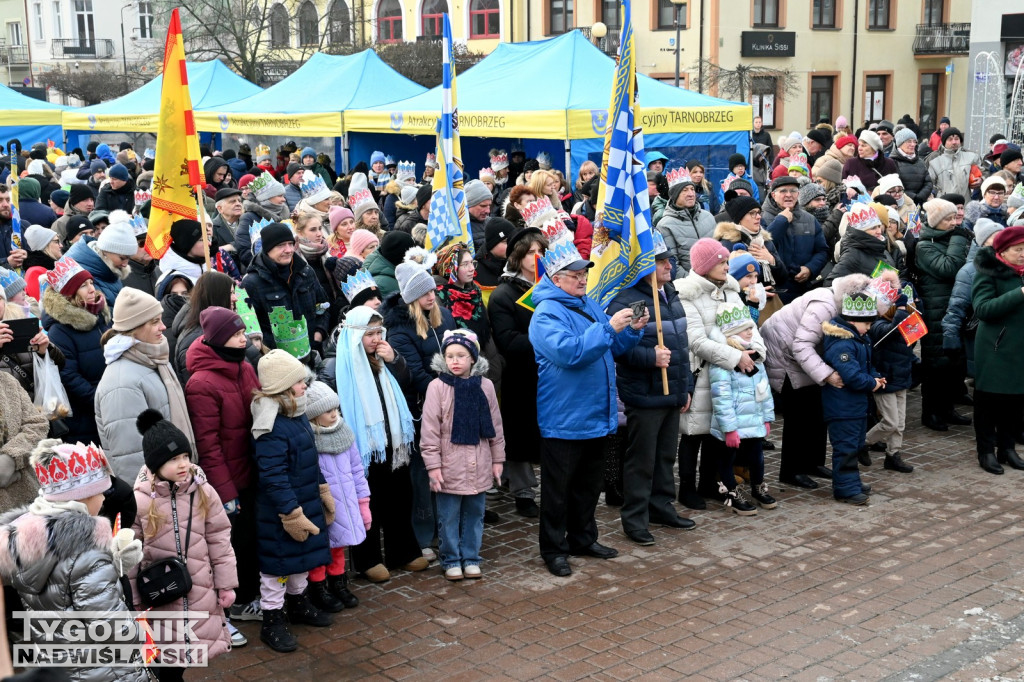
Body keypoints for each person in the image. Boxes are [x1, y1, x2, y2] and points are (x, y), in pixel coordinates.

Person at [529, 239, 646, 577]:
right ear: (555, 278)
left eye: (583, 273)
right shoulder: (546, 314)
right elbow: (571, 353)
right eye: (575, 274)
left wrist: (631, 331)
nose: (582, 279)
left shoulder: (589, 304)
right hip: (565, 417)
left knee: (587, 485)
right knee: (558, 491)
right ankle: (553, 548)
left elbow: (611, 346)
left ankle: (583, 538)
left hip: (596, 413)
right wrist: (609, 327)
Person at [0, 439, 148, 682]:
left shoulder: (23, 541)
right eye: (100, 491)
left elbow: (64, 591)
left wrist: (113, 564)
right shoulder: (88, 553)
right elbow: (112, 627)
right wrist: (139, 635)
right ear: (83, 497)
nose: (104, 498)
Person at [131, 410, 238, 675]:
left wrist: (226, 584)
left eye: (185, 457)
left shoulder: (203, 491)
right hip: (160, 597)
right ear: (155, 465)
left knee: (187, 656)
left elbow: (219, 538)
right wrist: (134, 599)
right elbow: (130, 555)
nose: (183, 464)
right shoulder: (141, 500)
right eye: (173, 459)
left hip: (200, 589)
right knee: (165, 663)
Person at [606, 231, 695, 545]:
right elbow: (617, 347)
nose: (669, 265)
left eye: (668, 259)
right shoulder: (631, 300)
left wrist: (686, 388)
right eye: (660, 261)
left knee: (664, 456)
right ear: (644, 265)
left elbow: (681, 347)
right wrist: (649, 357)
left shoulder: (670, 293)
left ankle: (661, 506)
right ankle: (635, 518)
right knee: (641, 460)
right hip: (645, 393)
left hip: (671, 392)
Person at [249, 350, 332, 652]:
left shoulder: (295, 413)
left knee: (301, 558)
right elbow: (272, 475)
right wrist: (291, 512)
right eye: (299, 381)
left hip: (304, 497)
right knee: (277, 566)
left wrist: (322, 489)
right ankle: (273, 618)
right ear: (283, 386)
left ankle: (298, 603)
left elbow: (309, 458)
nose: (305, 386)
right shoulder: (270, 424)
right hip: (282, 509)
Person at [675, 238, 767, 510]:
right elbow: (695, 340)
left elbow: (748, 326)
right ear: (706, 265)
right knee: (693, 434)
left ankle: (709, 483)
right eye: (722, 262)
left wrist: (755, 353)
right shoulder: (686, 293)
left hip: (731, 377)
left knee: (717, 433)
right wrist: (735, 357)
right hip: (701, 373)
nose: (728, 267)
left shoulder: (729, 291)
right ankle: (687, 488)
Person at [184, 306, 263, 624]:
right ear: (218, 340)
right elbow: (208, 444)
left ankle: (256, 593)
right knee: (236, 543)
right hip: (229, 478)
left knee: (253, 537)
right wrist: (226, 491)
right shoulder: (201, 383)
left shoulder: (243, 367)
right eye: (237, 335)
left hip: (252, 467)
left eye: (243, 333)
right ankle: (240, 603)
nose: (244, 339)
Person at [334, 306, 424, 582]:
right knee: (368, 501)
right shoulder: (340, 362)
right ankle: (367, 559)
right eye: (369, 333)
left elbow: (406, 382)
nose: (375, 339)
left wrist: (395, 359)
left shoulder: (384, 357)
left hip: (392, 441)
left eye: (378, 332)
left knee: (400, 494)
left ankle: (404, 552)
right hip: (364, 445)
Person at [383, 248, 457, 559]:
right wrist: (449, 391)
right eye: (424, 293)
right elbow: (414, 374)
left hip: (448, 401)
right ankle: (423, 534)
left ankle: (447, 528)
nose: (431, 296)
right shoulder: (399, 329)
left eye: (432, 290)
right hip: (421, 409)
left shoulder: (442, 315)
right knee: (421, 473)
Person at [421, 330, 505, 580]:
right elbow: (430, 431)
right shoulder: (437, 387)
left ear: (473, 358)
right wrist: (433, 466)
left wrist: (498, 459)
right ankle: (451, 559)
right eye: (449, 356)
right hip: (449, 466)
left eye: (461, 355)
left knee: (475, 515)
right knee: (448, 517)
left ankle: (471, 556)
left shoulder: (486, 386)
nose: (454, 361)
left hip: (479, 462)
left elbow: (496, 425)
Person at [95, 287, 197, 482]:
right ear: (135, 328)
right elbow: (130, 456)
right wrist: (149, 501)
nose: (163, 327)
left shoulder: (153, 359)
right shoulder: (121, 383)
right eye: (155, 322)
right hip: (156, 494)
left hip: (173, 482)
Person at [487, 228, 546, 517]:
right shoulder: (504, 294)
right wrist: (547, 338)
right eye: (533, 252)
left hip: (550, 374)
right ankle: (523, 491)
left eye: (542, 251)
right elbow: (507, 341)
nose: (539, 257)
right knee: (520, 433)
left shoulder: (551, 285)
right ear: (518, 256)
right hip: (521, 374)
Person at [304, 381, 367, 610]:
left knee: (339, 546)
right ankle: (318, 587)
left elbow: (357, 467)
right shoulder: (310, 439)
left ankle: (339, 582)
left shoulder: (344, 431)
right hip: (323, 503)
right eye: (328, 411)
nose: (334, 414)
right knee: (321, 546)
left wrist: (363, 500)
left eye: (335, 409)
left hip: (345, 500)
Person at [708, 301, 776, 513]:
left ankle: (757, 487)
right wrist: (728, 429)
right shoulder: (724, 361)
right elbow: (721, 397)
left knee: (757, 457)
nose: (750, 331)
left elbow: (764, 390)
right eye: (746, 328)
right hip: (734, 424)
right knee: (727, 459)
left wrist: (766, 418)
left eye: (751, 327)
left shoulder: (756, 356)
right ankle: (732, 492)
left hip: (753, 419)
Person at [822, 292, 886, 504]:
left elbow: (866, 366)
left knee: (855, 444)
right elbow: (852, 375)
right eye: (866, 324)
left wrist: (876, 376)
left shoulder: (859, 339)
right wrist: (871, 383)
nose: (868, 328)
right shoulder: (842, 344)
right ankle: (845, 489)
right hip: (842, 408)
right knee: (846, 448)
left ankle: (851, 482)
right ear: (852, 321)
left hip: (855, 407)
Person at [971, 225, 1024, 475]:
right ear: (1003, 251)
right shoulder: (988, 273)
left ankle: (1007, 448)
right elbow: (983, 309)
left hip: (1020, 350)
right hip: (995, 348)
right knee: (989, 403)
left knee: (1015, 402)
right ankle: (986, 452)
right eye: (1018, 249)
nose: (1023, 254)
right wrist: (1020, 293)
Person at [41, 256, 111, 445]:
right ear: (69, 294)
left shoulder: (100, 318)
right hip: (86, 421)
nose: (91, 289)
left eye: (91, 283)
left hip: (111, 407)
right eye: (83, 286)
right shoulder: (60, 331)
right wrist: (101, 400)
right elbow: (68, 376)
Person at [917, 198, 972, 431]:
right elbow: (949, 267)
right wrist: (960, 238)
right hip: (935, 310)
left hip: (954, 307)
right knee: (935, 365)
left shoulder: (950, 239)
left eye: (954, 217)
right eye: (948, 218)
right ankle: (931, 413)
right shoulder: (924, 246)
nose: (953, 222)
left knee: (953, 362)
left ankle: (948, 409)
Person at [242, 222, 329, 360]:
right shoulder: (252, 283)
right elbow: (253, 327)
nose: (288, 250)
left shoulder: (305, 272)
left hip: (313, 352)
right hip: (279, 360)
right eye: (280, 245)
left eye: (290, 244)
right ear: (267, 248)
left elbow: (323, 307)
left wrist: (318, 334)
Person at [865, 288, 917, 474]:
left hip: (901, 378)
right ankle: (862, 443)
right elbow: (892, 331)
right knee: (890, 422)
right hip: (885, 380)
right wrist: (902, 307)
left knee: (900, 424)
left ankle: (893, 455)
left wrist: (911, 307)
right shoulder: (877, 325)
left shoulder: (902, 321)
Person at [763, 176, 830, 302]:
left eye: (793, 191)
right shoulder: (761, 218)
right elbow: (763, 246)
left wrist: (810, 269)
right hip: (774, 292)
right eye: (783, 191)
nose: (789, 195)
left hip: (803, 290)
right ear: (773, 195)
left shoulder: (809, 219)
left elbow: (822, 251)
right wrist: (780, 222)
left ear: (798, 194)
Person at [65, 212, 138, 307]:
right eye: (122, 258)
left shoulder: (110, 269)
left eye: (128, 258)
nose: (125, 264)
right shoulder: (78, 269)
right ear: (105, 251)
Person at [657, 168, 716, 277]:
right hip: (689, 285)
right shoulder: (664, 225)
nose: (691, 194)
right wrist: (695, 282)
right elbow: (672, 263)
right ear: (674, 195)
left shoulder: (708, 217)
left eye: (692, 189)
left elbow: (719, 251)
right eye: (684, 190)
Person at [235, 171, 292, 269]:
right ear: (267, 198)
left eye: (283, 196)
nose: (284, 200)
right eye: (280, 196)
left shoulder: (285, 214)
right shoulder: (249, 217)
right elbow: (244, 250)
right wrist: (265, 267)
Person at [928, 127, 981, 198]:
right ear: (944, 142)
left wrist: (981, 179)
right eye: (950, 139)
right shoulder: (934, 159)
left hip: (965, 204)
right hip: (943, 205)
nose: (954, 142)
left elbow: (985, 172)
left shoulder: (972, 157)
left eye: (956, 139)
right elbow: (928, 182)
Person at [365, 230, 415, 299]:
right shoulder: (382, 284)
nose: (414, 258)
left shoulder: (392, 268)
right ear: (401, 256)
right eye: (411, 254)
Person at [891, 128, 933, 206]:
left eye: (914, 141)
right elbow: (894, 185)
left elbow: (928, 182)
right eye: (909, 141)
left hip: (921, 203)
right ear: (900, 144)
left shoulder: (920, 161)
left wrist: (921, 196)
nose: (913, 144)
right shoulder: (893, 162)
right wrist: (913, 197)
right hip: (901, 204)